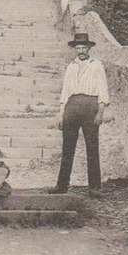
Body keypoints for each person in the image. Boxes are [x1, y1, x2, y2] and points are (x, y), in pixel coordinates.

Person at [49, 31, 109, 198]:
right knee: (67, 148)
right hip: (72, 106)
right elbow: (65, 91)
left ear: (89, 48)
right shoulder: (71, 66)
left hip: (90, 105)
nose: (81, 51)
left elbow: (102, 88)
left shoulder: (96, 64)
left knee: (92, 147)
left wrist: (100, 111)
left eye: (84, 47)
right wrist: (61, 114)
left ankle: (95, 188)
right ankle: (61, 185)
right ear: (74, 49)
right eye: (78, 48)